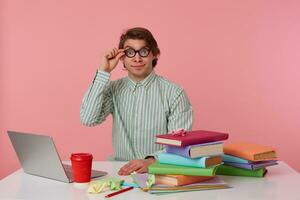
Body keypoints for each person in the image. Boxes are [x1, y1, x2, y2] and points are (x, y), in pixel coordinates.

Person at [80, 27, 193, 175]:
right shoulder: (113, 89)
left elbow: (179, 145)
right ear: (122, 57)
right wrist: (103, 72)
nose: (137, 59)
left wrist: (151, 160)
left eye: (144, 52)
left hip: (158, 172)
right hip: (119, 171)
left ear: (154, 54)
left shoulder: (174, 93)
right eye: (130, 52)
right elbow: (88, 119)